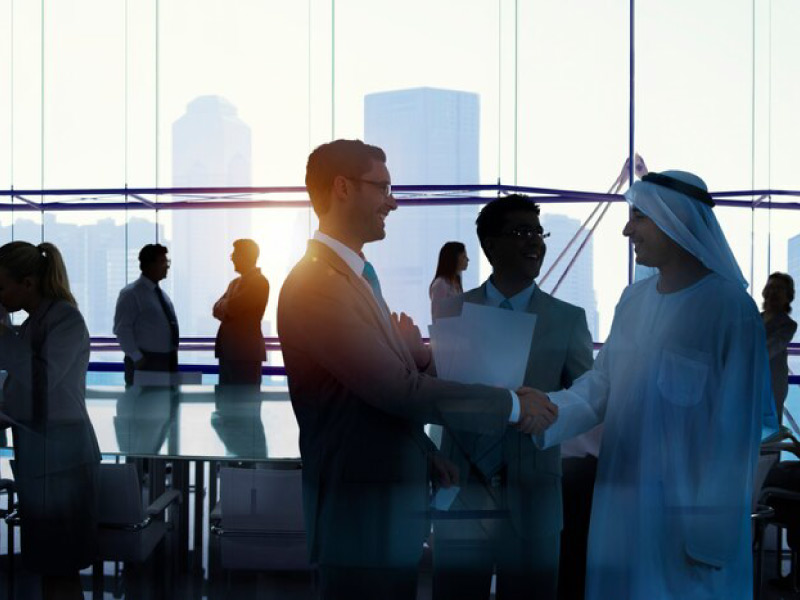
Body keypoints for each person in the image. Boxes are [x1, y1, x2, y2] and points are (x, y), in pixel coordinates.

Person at [277, 139, 552, 600]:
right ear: (343, 188)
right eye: (382, 187)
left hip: (382, 513)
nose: (393, 201)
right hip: (359, 518)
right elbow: (397, 389)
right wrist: (508, 405)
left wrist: (425, 452)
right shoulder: (316, 285)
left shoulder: (355, 278)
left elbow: (367, 397)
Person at [530, 170, 776, 599]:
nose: (628, 230)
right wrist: (544, 409)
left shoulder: (730, 309)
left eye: (639, 217)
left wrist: (711, 534)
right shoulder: (633, 300)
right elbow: (603, 385)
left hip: (687, 524)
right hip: (620, 507)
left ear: (675, 220)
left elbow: (737, 430)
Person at [432, 195, 593, 600]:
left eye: (539, 233)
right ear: (489, 244)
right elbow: (438, 396)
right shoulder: (451, 311)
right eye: (522, 232)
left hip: (533, 495)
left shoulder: (567, 319)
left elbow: (586, 398)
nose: (535, 242)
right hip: (462, 493)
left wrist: (545, 411)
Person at [0, 241, 101, 600]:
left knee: (62, 566)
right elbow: (23, 393)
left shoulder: (65, 319)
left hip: (64, 457)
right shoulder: (30, 326)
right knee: (48, 564)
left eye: (1, 286)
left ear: (27, 283)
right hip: (40, 454)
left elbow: (43, 380)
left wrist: (2, 336)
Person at [113, 243, 179, 386]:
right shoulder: (131, 293)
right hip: (145, 362)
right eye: (162, 262)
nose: (167, 266)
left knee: (165, 404)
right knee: (142, 406)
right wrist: (138, 358)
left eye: (167, 261)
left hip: (166, 361)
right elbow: (122, 329)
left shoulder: (161, 295)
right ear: (149, 264)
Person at [213, 238, 270, 386]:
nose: (232, 258)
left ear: (246, 256)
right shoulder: (234, 283)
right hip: (228, 352)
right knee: (225, 402)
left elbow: (233, 307)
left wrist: (225, 305)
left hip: (245, 354)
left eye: (235, 253)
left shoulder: (259, 282)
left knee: (245, 402)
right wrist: (227, 306)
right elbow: (215, 309)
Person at [761, 272, 797, 422]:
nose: (773, 291)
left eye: (779, 288)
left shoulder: (788, 324)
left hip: (772, 383)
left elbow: (769, 349)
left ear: (787, 296)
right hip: (750, 378)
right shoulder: (754, 317)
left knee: (770, 430)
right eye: (771, 287)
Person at [430, 241, 468, 319]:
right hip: (446, 329)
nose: (467, 259)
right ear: (454, 259)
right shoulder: (440, 284)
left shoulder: (456, 282)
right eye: (464, 256)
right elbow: (437, 317)